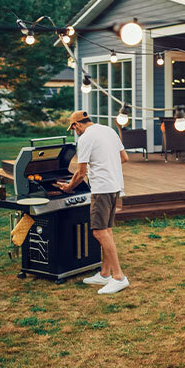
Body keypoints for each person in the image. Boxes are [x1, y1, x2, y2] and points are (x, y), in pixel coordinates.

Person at [58, 111, 129, 294]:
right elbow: (124, 158)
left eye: (73, 128)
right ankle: (105, 274)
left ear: (77, 125)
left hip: (101, 189)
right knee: (107, 230)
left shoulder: (85, 138)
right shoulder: (109, 130)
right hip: (114, 186)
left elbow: (81, 173)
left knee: (99, 232)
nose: (75, 132)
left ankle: (119, 277)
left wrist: (68, 187)